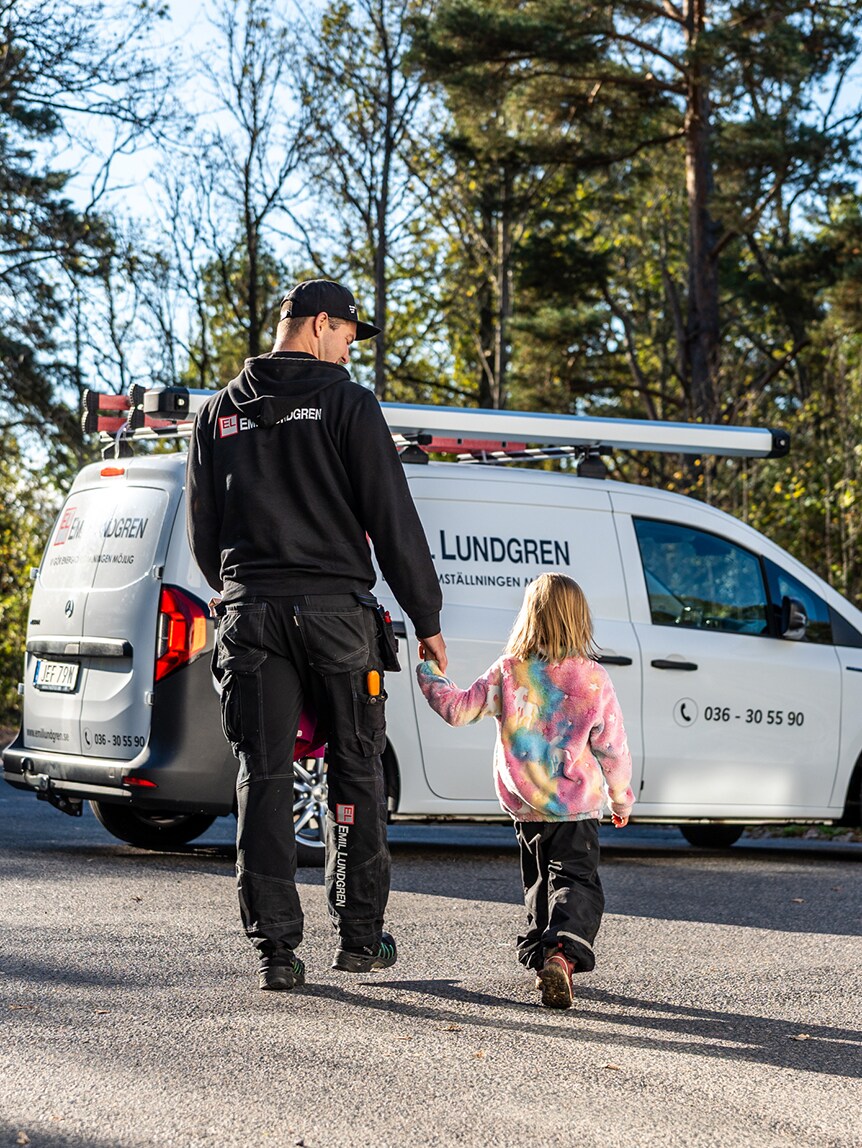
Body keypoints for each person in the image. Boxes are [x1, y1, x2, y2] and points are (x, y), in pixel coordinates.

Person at [186, 278, 447, 992]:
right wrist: (427, 620)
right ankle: (360, 940)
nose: (349, 351)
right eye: (347, 336)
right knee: (355, 769)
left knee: (263, 778)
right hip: (337, 615)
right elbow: (393, 518)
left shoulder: (215, 416)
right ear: (318, 324)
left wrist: (245, 589)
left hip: (251, 618)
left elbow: (204, 537)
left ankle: (276, 950)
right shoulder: (348, 404)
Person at [416, 572, 632, 1009]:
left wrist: (428, 671)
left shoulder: (509, 673)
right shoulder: (592, 678)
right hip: (575, 807)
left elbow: (457, 710)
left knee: (537, 882)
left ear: (528, 617)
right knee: (576, 881)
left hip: (525, 806)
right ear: (580, 621)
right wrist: (620, 797)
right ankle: (561, 955)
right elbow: (611, 747)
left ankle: (543, 956)